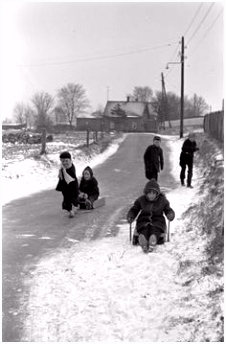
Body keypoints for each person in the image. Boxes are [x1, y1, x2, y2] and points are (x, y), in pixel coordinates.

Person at [127, 178, 175, 253]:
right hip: (143, 220)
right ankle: (143, 240)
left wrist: (170, 214)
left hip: (158, 221)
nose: (151, 195)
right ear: (146, 193)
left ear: (157, 193)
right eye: (149, 193)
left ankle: (153, 239)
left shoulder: (162, 201)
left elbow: (167, 209)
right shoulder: (141, 200)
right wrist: (131, 215)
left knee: (155, 229)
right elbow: (135, 209)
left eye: (154, 193)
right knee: (144, 229)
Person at [56, 151, 79, 218]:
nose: (65, 163)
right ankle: (70, 210)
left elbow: (72, 178)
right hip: (65, 187)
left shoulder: (71, 168)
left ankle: (75, 206)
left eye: (66, 161)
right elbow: (61, 177)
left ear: (70, 160)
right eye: (63, 161)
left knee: (74, 197)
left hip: (73, 186)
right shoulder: (62, 168)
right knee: (66, 198)